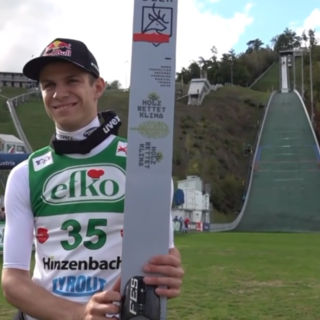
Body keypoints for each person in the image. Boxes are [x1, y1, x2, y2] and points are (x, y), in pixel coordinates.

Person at [1, 38, 184, 320]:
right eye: (48, 85)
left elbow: (164, 252)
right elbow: (13, 280)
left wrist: (169, 269)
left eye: (71, 81)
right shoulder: (26, 173)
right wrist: (81, 313)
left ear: (97, 87)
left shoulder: (144, 164)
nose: (59, 93)